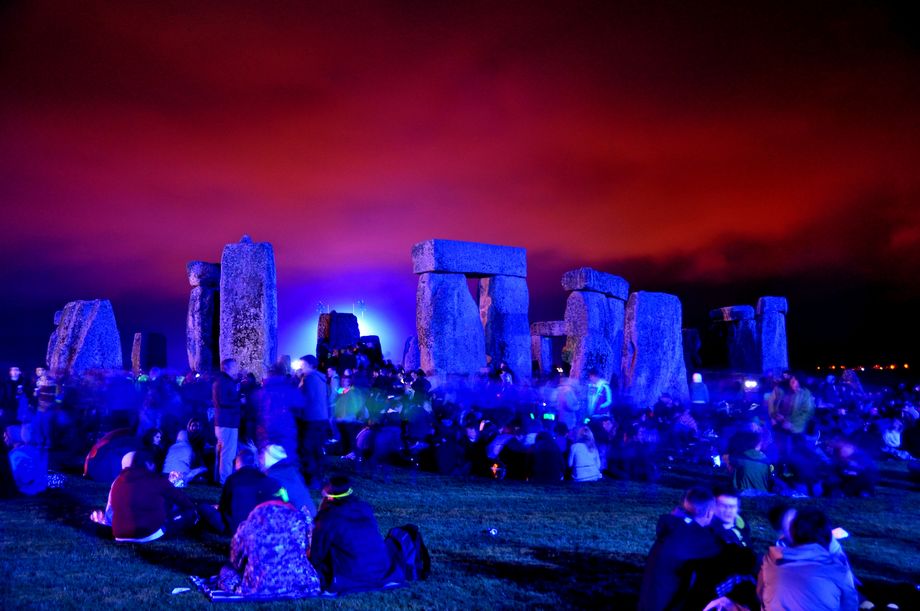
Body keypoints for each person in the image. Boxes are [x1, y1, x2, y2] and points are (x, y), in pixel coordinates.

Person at [309, 475, 404, 593]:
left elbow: (317, 555)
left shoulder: (327, 517)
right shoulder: (365, 508)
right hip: (381, 571)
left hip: (349, 575)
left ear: (328, 496)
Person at [758, 507, 858, 610]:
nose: (794, 527)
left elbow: (761, 596)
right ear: (782, 531)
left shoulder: (769, 564)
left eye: (796, 521)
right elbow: (850, 605)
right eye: (790, 525)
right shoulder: (838, 572)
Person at [638, 487, 722, 611]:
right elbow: (722, 553)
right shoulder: (699, 538)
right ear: (710, 512)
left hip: (648, 602)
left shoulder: (673, 525)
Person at [217, 500, 322, 597]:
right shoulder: (300, 521)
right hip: (305, 586)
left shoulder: (248, 527)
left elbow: (235, 561)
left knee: (226, 571)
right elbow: (309, 550)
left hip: (260, 589)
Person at [109, 449, 197, 542]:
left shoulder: (117, 482)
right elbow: (183, 500)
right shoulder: (155, 480)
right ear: (147, 464)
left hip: (119, 535)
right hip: (147, 534)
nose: (154, 466)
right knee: (189, 514)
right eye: (152, 463)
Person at [217, 448, 284, 534]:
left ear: (238, 463)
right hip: (259, 525)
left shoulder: (232, 479)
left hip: (236, 527)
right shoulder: (264, 479)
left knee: (205, 509)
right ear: (253, 463)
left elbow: (223, 507)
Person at [297, 355, 329, 488]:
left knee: (307, 449)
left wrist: (298, 382)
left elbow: (303, 398)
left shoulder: (308, 379)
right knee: (317, 448)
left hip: (310, 418)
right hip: (322, 418)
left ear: (310, 365)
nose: (300, 367)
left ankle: (311, 479)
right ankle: (319, 477)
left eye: (302, 364)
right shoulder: (321, 378)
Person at [261, 444, 316, 517]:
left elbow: (285, 501)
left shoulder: (273, 479)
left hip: (299, 519)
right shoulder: (293, 472)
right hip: (311, 514)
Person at [213, 358, 242, 485]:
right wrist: (239, 402)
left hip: (225, 421)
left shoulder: (224, 381)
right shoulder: (223, 382)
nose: (237, 368)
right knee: (227, 453)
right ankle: (224, 480)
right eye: (235, 365)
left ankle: (219, 478)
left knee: (223, 452)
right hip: (227, 422)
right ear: (227, 368)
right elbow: (223, 402)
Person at [4, 424, 46, 495]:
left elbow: (24, 478)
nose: (4, 439)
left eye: (6, 436)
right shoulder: (30, 449)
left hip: (27, 492)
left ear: (12, 436)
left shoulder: (17, 454)